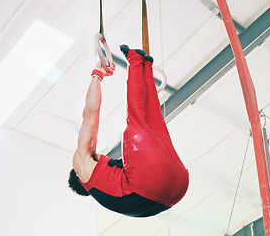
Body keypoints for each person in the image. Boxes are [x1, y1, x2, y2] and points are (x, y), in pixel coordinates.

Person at [68, 45, 189, 217]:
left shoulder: (107, 185)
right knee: (136, 128)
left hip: (178, 186)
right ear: (78, 174)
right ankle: (134, 61)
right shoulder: (81, 166)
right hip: (148, 187)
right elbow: (90, 113)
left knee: (154, 124)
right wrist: (97, 74)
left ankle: (144, 66)